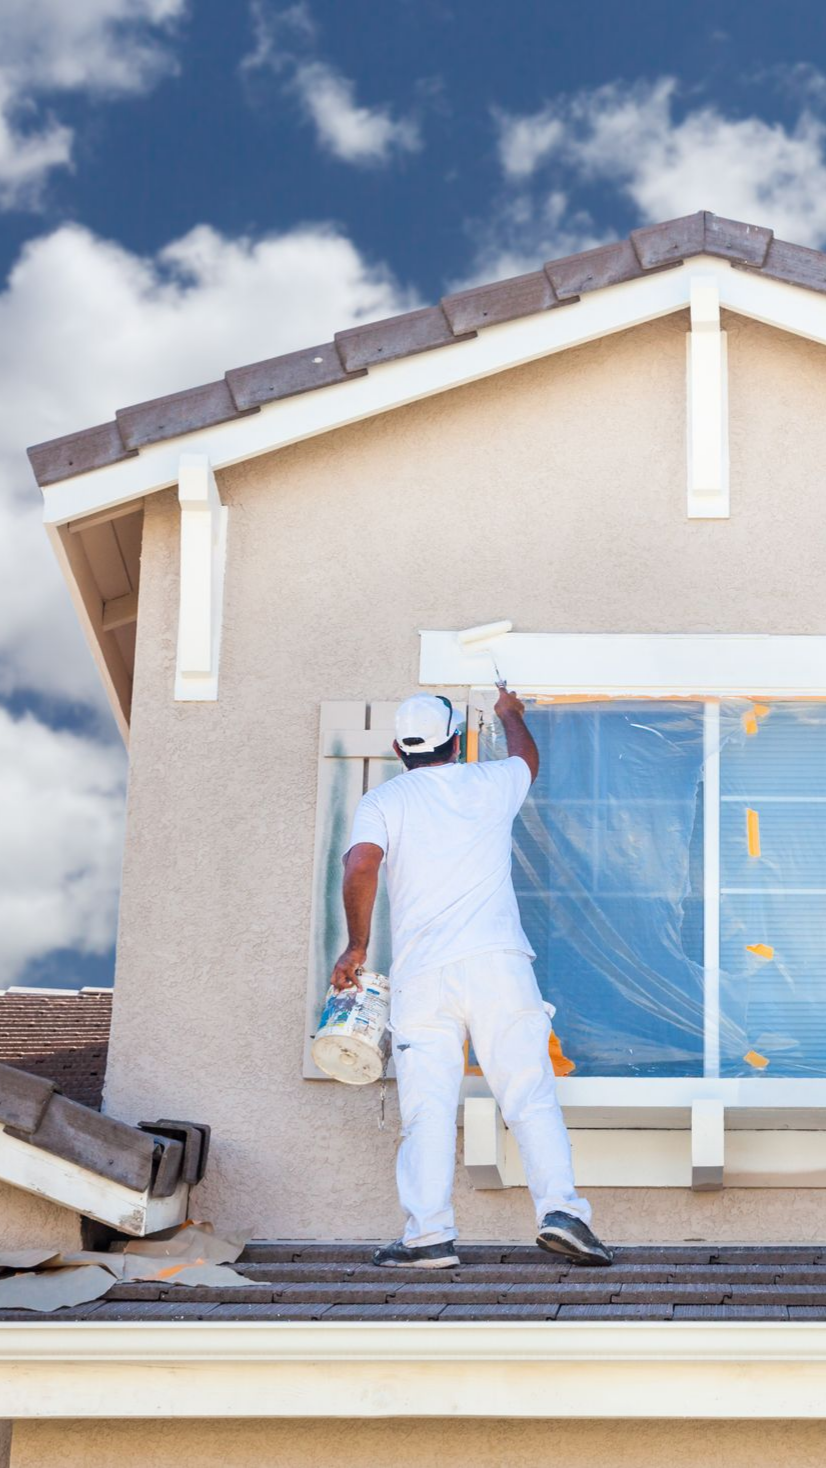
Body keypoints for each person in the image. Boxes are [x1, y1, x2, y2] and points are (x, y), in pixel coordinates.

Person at [331, 686, 612, 1270]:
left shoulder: (383, 801)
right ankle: (563, 1214)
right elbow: (526, 760)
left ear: (396, 750)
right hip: (498, 967)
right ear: (456, 742)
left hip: (423, 978)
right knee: (529, 1094)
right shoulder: (489, 783)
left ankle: (428, 1237)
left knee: (427, 1110)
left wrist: (356, 947)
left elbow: (361, 864)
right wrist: (511, 715)